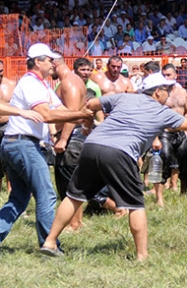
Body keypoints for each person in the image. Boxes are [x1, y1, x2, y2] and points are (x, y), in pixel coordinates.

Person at [39, 73, 187, 260]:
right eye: (166, 89)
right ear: (157, 92)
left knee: (75, 196)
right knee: (135, 204)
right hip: (120, 152)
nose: (168, 93)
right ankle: (142, 256)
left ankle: (49, 242)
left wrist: (86, 123)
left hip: (92, 145)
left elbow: (91, 103)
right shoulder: (162, 112)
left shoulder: (123, 97)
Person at [0, 43, 92, 250]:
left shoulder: (43, 86)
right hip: (23, 144)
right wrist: (81, 114)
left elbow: (63, 110)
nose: (53, 64)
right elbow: (47, 115)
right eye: (49, 60)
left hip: (18, 143)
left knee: (19, 199)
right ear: (38, 61)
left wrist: (84, 114)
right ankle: (50, 245)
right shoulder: (31, 84)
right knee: (47, 195)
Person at [52, 55, 92, 232]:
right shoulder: (69, 81)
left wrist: (62, 139)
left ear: (54, 64)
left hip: (71, 138)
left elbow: (73, 113)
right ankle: (77, 221)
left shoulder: (69, 82)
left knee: (68, 183)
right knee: (71, 181)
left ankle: (74, 223)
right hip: (73, 136)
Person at [150, 64, 187, 203]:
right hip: (165, 132)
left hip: (181, 132)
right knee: (162, 163)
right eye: (163, 75)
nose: (166, 78)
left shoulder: (182, 91)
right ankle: (160, 198)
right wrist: (155, 136)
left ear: (175, 75)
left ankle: (183, 193)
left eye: (168, 75)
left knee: (186, 163)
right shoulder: (158, 93)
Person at [0, 60, 17, 193]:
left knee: (10, 158)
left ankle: (11, 190)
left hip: (7, 125)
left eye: (0, 71)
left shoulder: (11, 84)